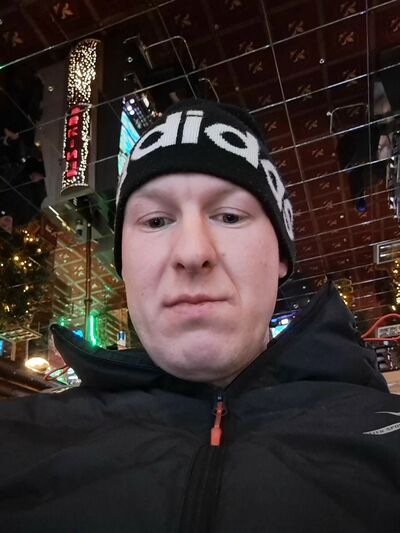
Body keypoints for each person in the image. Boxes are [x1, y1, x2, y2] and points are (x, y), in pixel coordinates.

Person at [0, 99, 399, 532]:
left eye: (229, 216)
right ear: (124, 263)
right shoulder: (17, 442)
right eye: (156, 221)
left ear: (281, 255)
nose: (192, 252)